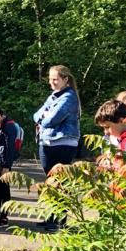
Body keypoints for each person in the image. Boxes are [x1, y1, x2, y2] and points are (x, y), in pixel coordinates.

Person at [33, 65, 81, 231]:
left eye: (55, 79)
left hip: (63, 143)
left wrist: (44, 116)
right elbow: (36, 115)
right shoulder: (53, 96)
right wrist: (44, 115)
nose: (51, 82)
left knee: (60, 182)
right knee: (49, 181)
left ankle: (60, 220)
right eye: (50, 79)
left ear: (65, 80)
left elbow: (49, 120)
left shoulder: (69, 97)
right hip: (47, 142)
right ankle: (50, 217)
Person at [0, 106, 18, 227]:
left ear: (0, 116)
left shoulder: (9, 126)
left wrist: (6, 165)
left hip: (4, 161)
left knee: (4, 189)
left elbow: (10, 147)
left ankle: (4, 217)